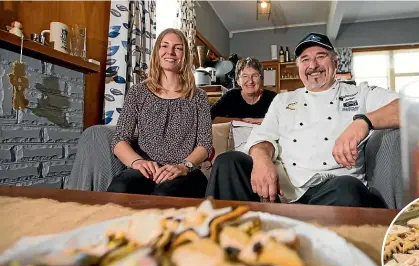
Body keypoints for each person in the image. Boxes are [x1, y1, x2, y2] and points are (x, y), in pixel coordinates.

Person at [206, 32, 400, 207]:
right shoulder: (284, 100)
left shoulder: (360, 93)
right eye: (305, 59)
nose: (313, 65)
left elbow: (409, 107)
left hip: (331, 189)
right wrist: (262, 160)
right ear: (298, 67)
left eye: (320, 57)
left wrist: (363, 121)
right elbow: (263, 136)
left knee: (349, 189)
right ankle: (225, 239)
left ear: (336, 62)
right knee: (227, 162)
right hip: (281, 189)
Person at [107, 28, 212, 198]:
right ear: (157, 51)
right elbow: (120, 139)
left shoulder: (198, 96)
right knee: (119, 190)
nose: (170, 52)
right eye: (165, 46)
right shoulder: (137, 92)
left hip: (185, 172)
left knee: (164, 195)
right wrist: (138, 162)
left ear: (185, 55)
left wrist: (184, 166)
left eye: (178, 48)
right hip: (147, 169)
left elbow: (204, 144)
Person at [210, 57, 277, 124]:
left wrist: (257, 120)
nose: (250, 81)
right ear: (238, 81)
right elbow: (211, 119)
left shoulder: (273, 98)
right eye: (245, 76)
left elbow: (284, 120)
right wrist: (241, 120)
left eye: (255, 76)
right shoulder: (231, 96)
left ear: (261, 79)